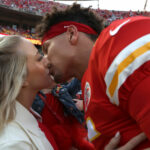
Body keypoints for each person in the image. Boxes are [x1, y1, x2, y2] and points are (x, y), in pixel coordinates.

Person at [36, 3, 150, 149]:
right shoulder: (89, 81)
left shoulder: (115, 43)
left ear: (71, 34)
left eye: (46, 48)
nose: (44, 60)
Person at [0, 35, 56, 150]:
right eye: (39, 58)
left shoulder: (27, 118)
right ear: (21, 78)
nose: (48, 61)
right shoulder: (14, 144)